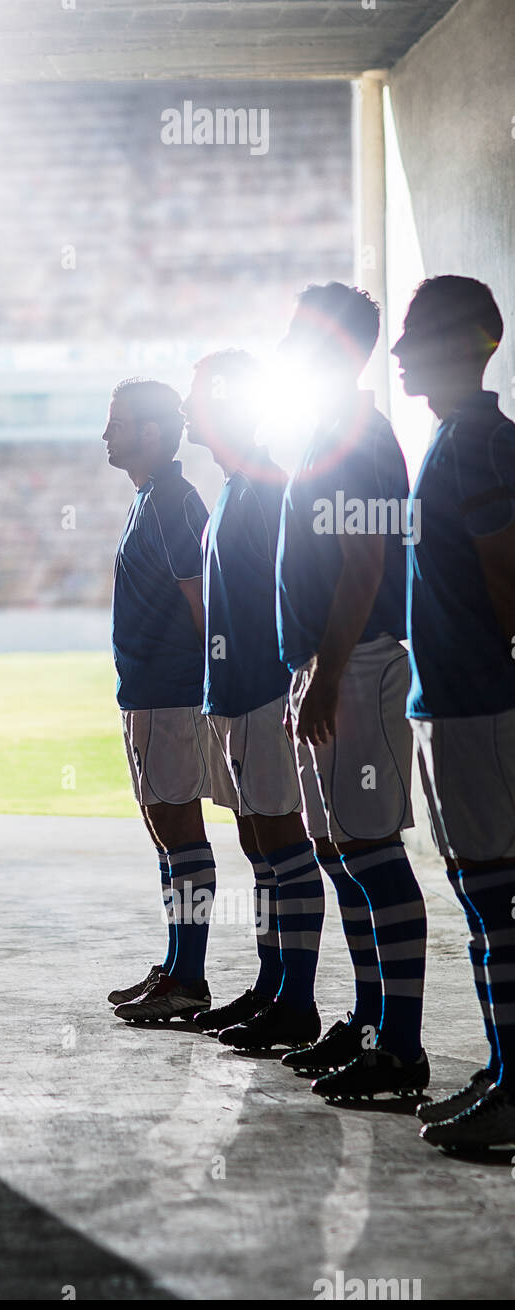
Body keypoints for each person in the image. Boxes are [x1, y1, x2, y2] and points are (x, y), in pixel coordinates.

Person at [274, 282, 429, 1099]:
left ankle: (400, 1049)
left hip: (358, 662)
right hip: (328, 661)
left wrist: (327, 675)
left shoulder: (361, 436)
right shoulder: (324, 431)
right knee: (341, 855)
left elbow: (366, 563)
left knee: (372, 855)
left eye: (301, 332)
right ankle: (372, 1027)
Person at [392, 275, 515, 1148]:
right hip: (452, 700)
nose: (399, 352)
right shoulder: (452, 438)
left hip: (483, 703)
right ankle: (506, 1068)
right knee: (482, 895)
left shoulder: (478, 442)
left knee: (496, 898)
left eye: (418, 334)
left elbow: (506, 571)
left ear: (472, 340)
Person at [180, 350, 326, 1047]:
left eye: (199, 396)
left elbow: (296, 593)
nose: (187, 409)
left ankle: (295, 1001)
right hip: (231, 693)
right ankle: (272, 986)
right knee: (256, 843)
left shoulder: (266, 486)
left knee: (280, 840)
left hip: (266, 690)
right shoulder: (234, 487)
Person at [103, 378, 215, 1024]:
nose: (104, 435)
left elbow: (202, 603)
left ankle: (190, 975)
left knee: (181, 833)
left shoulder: (172, 502)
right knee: (165, 834)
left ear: (147, 432)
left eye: (115, 424)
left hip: (172, 696)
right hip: (148, 694)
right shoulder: (151, 498)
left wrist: (205, 691)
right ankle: (177, 965)